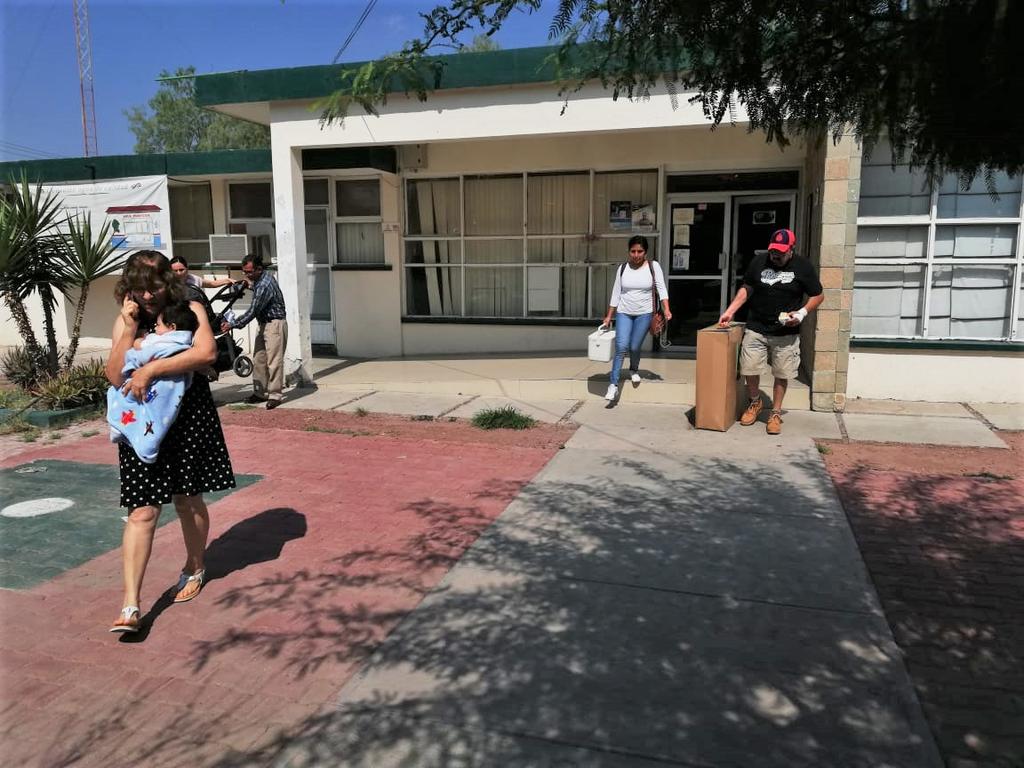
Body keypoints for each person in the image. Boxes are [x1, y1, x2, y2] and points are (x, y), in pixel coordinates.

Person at [105, 251, 236, 633]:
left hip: (187, 416)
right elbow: (114, 375)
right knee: (142, 510)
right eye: (140, 288)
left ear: (169, 281)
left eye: (155, 286)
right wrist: (129, 329)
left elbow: (206, 352)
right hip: (141, 424)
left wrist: (151, 369)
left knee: (187, 499)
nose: (148, 296)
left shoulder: (189, 307)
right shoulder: (126, 319)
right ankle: (130, 605)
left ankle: (195, 564)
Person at [718, 228, 823, 435]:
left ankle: (775, 412)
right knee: (749, 369)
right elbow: (747, 288)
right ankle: (755, 402)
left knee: (781, 373)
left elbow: (818, 295)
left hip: (785, 332)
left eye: (781, 253)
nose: (775, 256)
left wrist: (801, 314)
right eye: (773, 251)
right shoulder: (759, 262)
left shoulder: (803, 267)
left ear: (791, 249)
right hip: (756, 326)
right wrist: (729, 311)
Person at [106, 300, 198, 464]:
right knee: (161, 414)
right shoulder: (186, 341)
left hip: (155, 386)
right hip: (174, 387)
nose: (155, 329)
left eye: (158, 325)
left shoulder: (161, 341)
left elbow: (140, 348)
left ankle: (121, 426)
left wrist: (138, 339)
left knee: (125, 397)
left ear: (172, 327)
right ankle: (147, 441)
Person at [600, 235, 672, 401]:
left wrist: (667, 309)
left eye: (640, 251)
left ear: (645, 252)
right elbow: (616, 293)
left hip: (644, 313)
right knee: (621, 346)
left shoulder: (653, 267)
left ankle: (633, 369)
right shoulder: (623, 268)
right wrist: (609, 316)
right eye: (633, 251)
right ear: (629, 252)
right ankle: (613, 385)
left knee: (634, 347)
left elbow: (661, 289)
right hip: (624, 312)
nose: (636, 255)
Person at [221, 253, 288, 409]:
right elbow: (255, 289)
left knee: (274, 362)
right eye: (244, 271)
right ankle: (260, 392)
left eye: (249, 272)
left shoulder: (265, 284)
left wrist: (233, 324)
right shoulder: (259, 281)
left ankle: (275, 395)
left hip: (274, 325)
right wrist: (246, 285)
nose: (247, 275)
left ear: (259, 269)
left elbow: (253, 310)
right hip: (264, 324)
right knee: (259, 359)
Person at [169, 255, 234, 291]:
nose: (179, 273)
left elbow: (212, 284)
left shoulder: (193, 279)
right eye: (175, 271)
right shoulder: (168, 284)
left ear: (187, 269)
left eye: (181, 270)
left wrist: (227, 280)